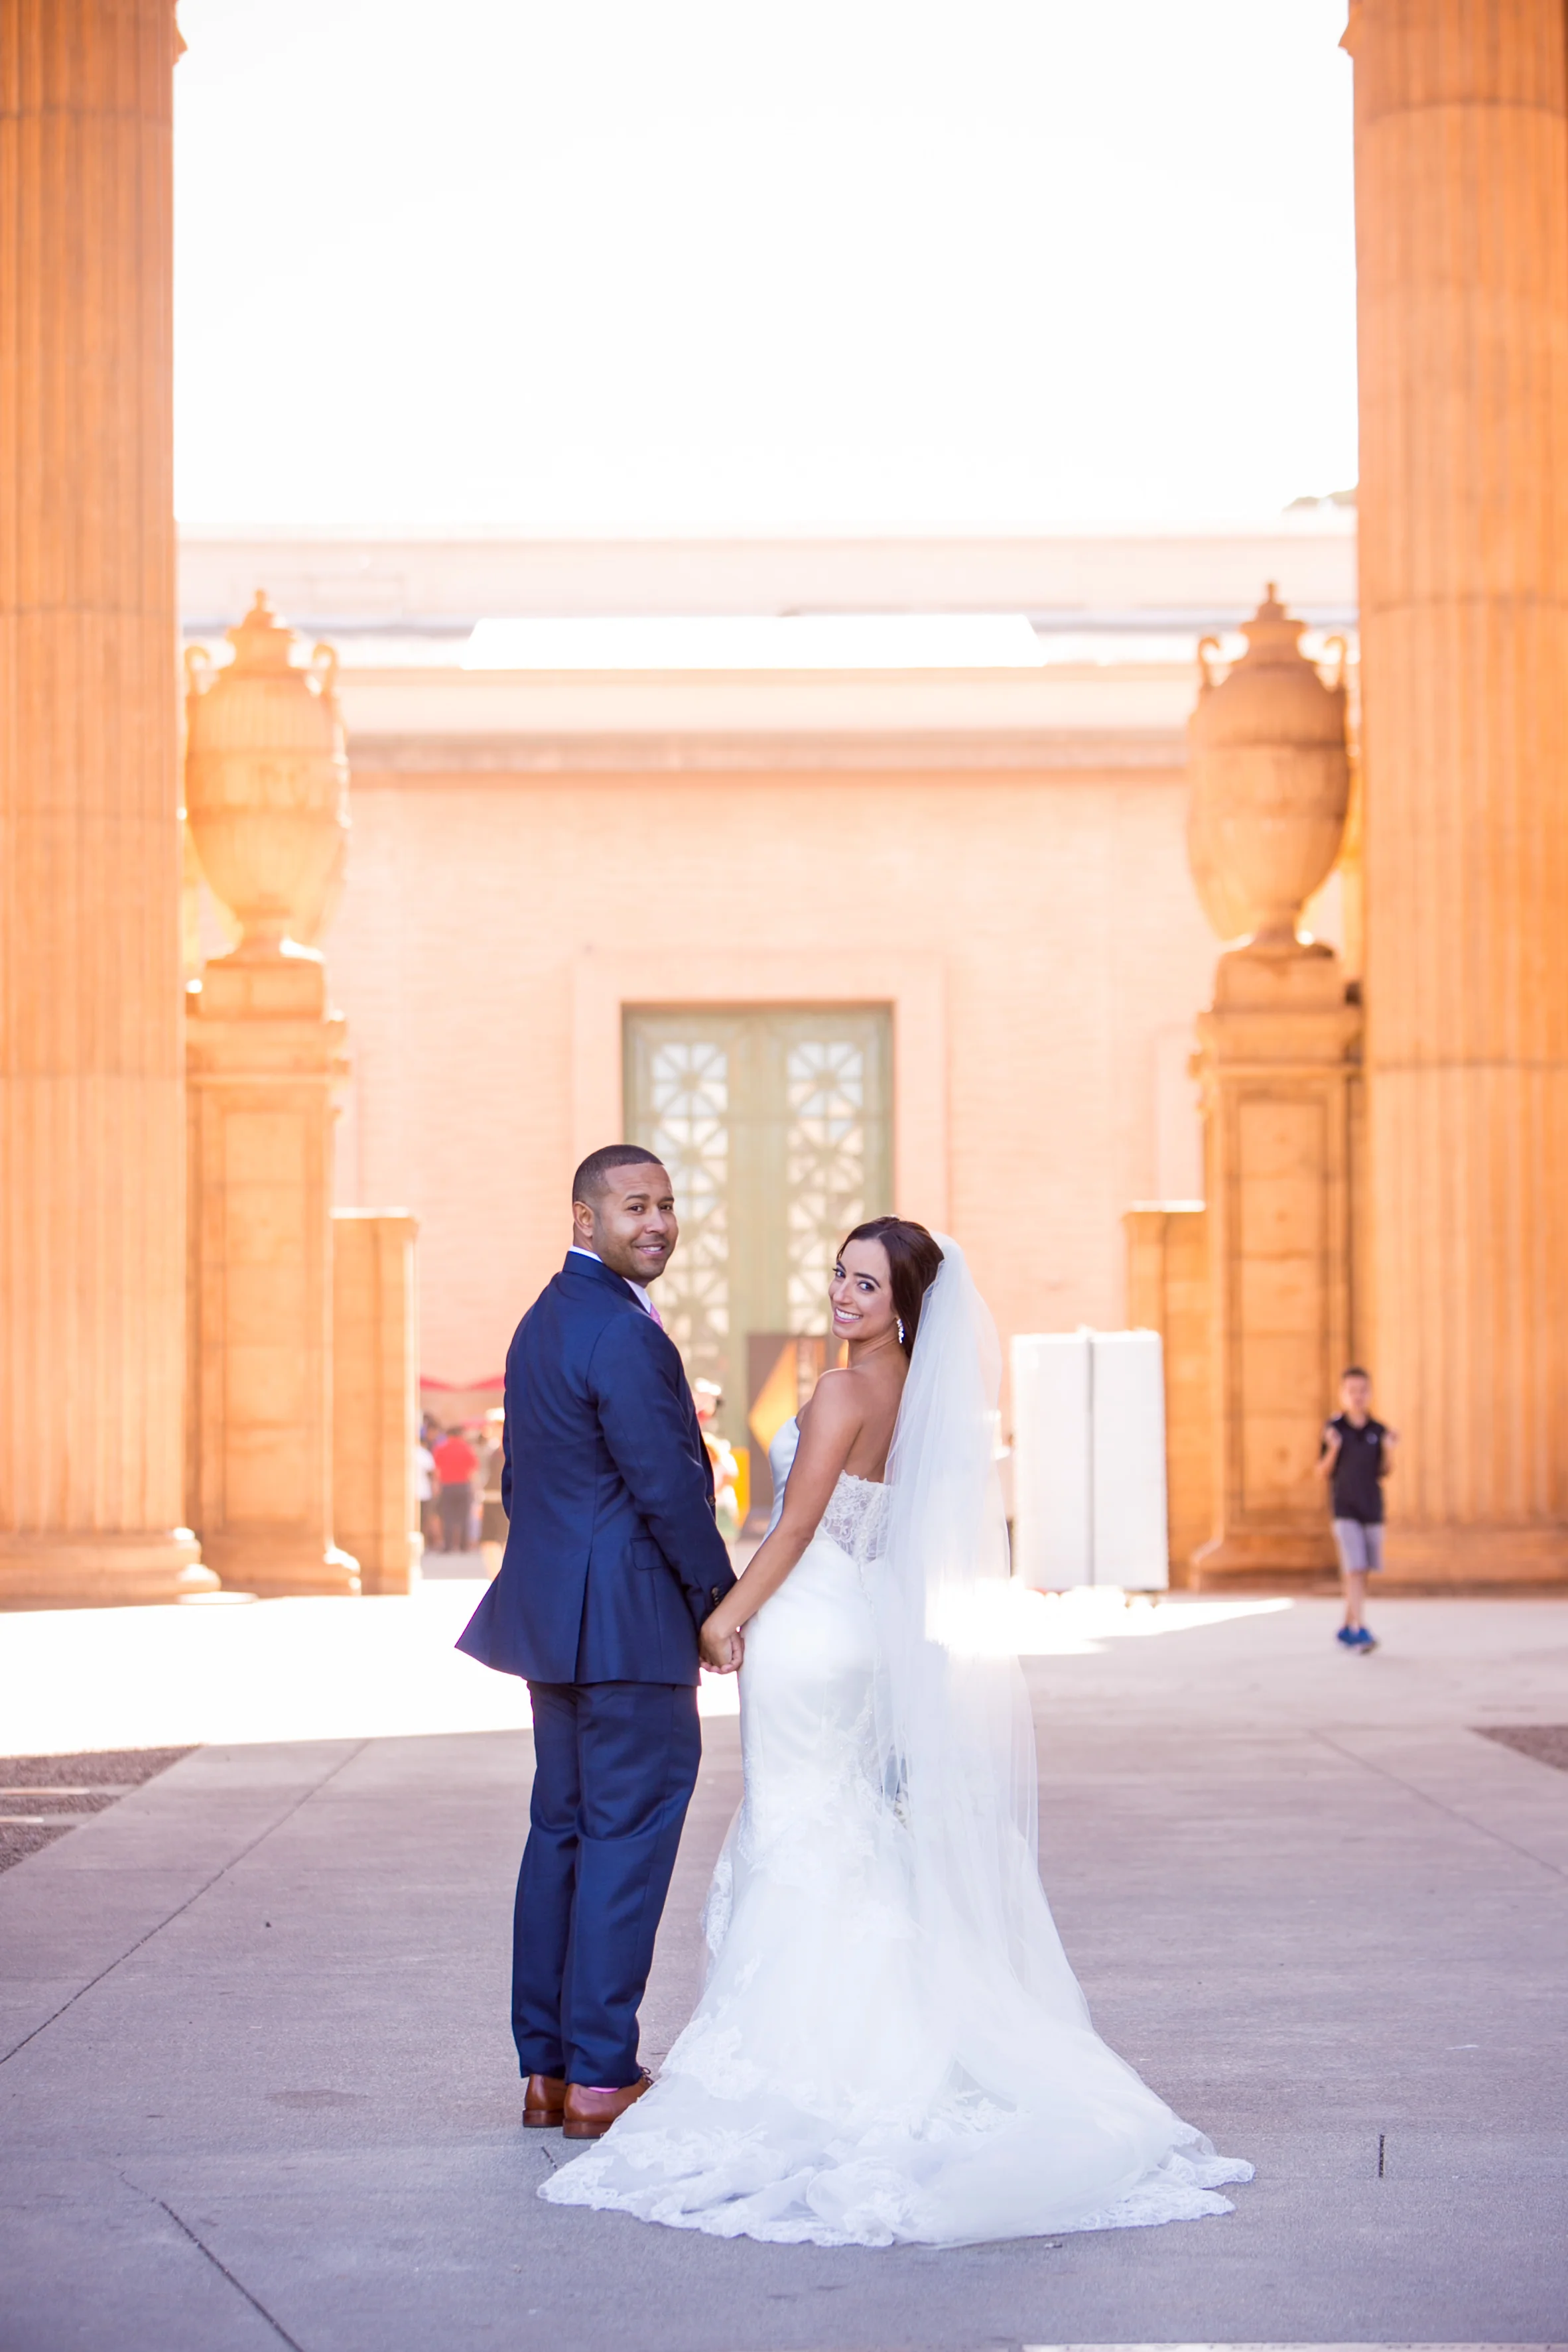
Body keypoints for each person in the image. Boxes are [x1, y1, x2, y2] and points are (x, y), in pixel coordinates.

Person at [541, 1216, 1252, 2247]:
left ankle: (818, 2054)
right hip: (870, 1622)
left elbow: (793, 1524)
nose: (842, 1294)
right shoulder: (924, 1397)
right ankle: (902, 2032)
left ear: (906, 1305)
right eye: (840, 1274)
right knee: (852, 1830)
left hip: (811, 1625)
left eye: (867, 1285)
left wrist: (725, 1616)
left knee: (799, 1829)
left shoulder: (837, 1392)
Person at [456, 1145, 736, 2142]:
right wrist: (718, 1598)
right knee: (626, 1839)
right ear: (585, 1219)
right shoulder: (623, 1330)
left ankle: (550, 2069)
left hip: (555, 1623)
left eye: (666, 1204)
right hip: (628, 1627)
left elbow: (524, 1483)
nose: (656, 1222)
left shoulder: (543, 1321)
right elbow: (667, 1484)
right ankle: (604, 2077)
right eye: (634, 1206)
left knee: (563, 1834)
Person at [1317, 1365, 1397, 1652]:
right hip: (1345, 1509)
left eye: (1362, 1390)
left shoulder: (1378, 1430)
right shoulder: (1334, 1429)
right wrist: (1334, 1449)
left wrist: (1389, 1448)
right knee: (1355, 1567)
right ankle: (1358, 1627)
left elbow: (1385, 1471)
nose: (1357, 1396)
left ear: (1370, 1393)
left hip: (1371, 1509)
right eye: (1352, 1391)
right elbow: (1322, 1471)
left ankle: (1345, 1626)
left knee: (1363, 1571)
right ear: (1343, 1394)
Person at [432, 1425, 478, 1554]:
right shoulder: (467, 1449)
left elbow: (437, 1470)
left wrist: (436, 1486)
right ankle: (464, 1546)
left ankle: (448, 1546)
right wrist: (473, 1488)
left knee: (447, 1517)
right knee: (464, 1517)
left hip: (447, 1486)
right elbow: (472, 1471)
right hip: (463, 1486)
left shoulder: (441, 1448)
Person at [478, 1408, 508, 1580]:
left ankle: (507, 1579)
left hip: (504, 1500)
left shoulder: (511, 1449)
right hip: (489, 1499)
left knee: (506, 1541)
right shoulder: (490, 1449)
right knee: (488, 1541)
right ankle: (495, 1578)